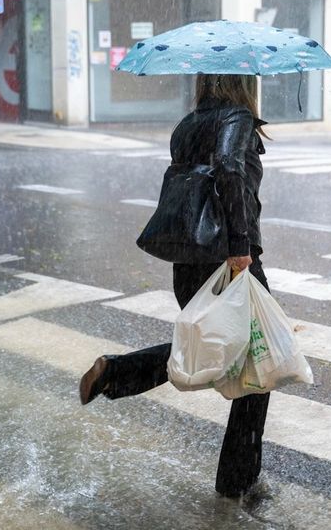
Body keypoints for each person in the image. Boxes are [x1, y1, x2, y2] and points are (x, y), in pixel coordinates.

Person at [78, 74, 270, 498]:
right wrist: (240, 246)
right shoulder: (236, 117)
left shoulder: (188, 124)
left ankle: (116, 373)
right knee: (258, 359)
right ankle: (237, 483)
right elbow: (228, 167)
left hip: (189, 260)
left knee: (218, 348)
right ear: (244, 82)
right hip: (228, 258)